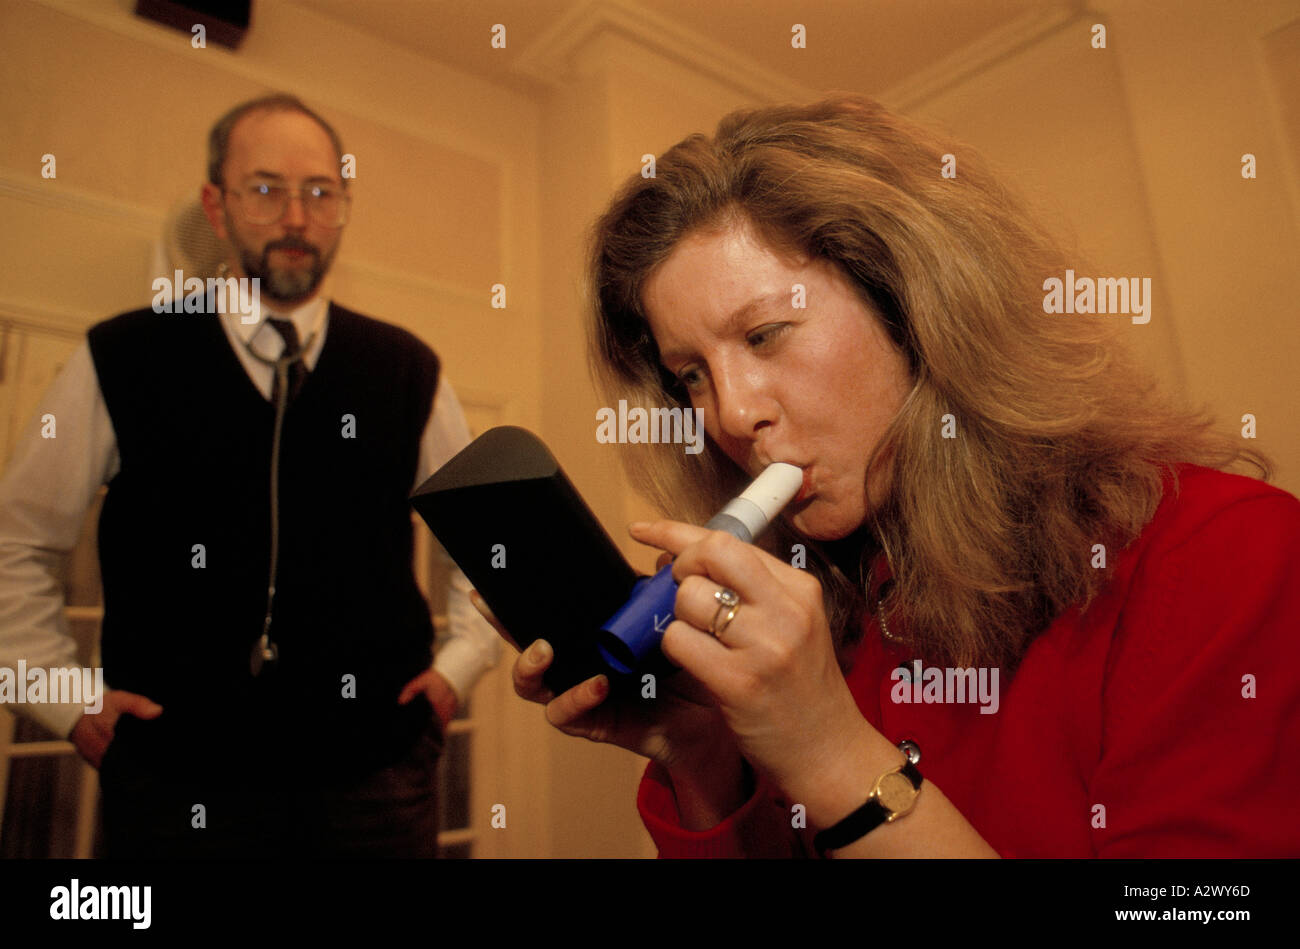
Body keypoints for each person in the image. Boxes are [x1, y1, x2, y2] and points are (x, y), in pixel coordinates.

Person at [477, 95, 1300, 857]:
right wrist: (702, 753)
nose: (728, 413)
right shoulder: (833, 604)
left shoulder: (1225, 553)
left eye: (764, 334)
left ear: (920, 311)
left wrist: (832, 757)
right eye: (690, 373)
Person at [0, 94, 499, 857]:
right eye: (266, 189)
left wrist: (457, 669)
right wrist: (58, 695)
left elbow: (486, 546)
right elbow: (16, 542)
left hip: (379, 784)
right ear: (217, 205)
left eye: (320, 192)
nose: (296, 216)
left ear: (342, 206)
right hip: (175, 788)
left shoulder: (407, 369)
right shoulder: (121, 358)